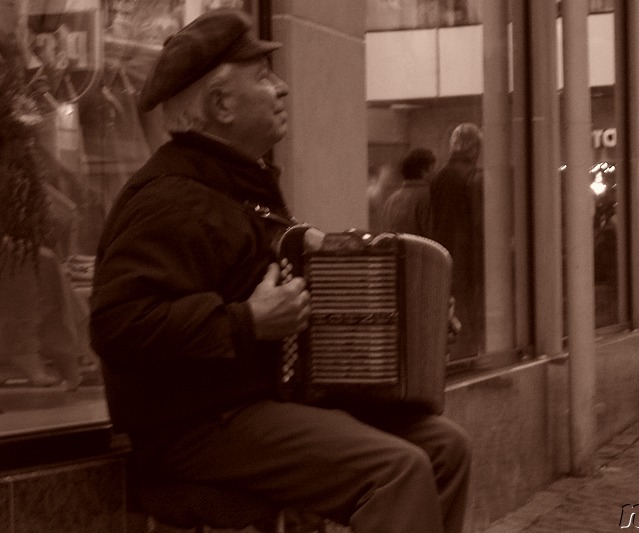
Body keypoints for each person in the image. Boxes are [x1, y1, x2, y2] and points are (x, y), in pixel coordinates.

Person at [89, 9, 470, 533]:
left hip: (258, 403)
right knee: (395, 470)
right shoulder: (171, 198)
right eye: (264, 77)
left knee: (446, 446)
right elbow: (118, 325)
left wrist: (415, 319)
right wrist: (245, 322)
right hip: (194, 424)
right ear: (222, 104)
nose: (283, 88)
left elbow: (296, 305)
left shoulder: (239, 188)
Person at [429, 123, 485, 362]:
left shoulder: (440, 177)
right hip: (465, 264)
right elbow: (472, 226)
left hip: (447, 261)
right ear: (474, 149)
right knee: (467, 321)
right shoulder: (471, 179)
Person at [380, 147, 436, 238]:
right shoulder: (428, 197)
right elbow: (431, 235)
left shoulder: (391, 200)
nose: (435, 173)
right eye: (433, 168)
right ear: (424, 172)